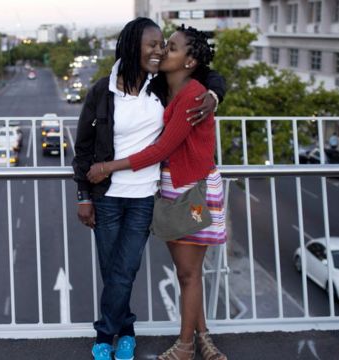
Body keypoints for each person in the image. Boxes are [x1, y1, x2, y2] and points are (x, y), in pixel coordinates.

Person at [72, 17, 226, 360]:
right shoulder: (103, 90)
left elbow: (206, 75)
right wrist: (83, 195)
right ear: (132, 46)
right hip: (107, 197)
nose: (159, 51)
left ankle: (104, 336)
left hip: (146, 196)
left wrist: (214, 94)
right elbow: (83, 147)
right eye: (153, 44)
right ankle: (125, 332)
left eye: (164, 45)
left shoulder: (159, 86)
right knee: (112, 271)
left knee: (126, 270)